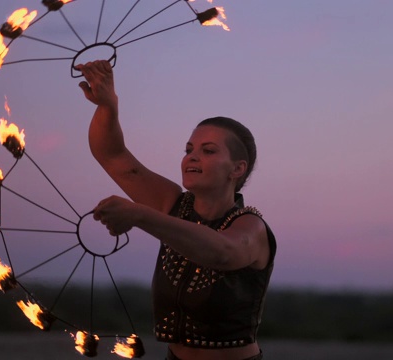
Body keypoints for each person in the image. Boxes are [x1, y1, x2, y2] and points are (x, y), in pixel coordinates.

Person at [76, 60, 276, 360]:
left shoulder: (251, 228)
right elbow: (111, 153)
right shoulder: (173, 204)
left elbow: (221, 252)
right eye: (189, 149)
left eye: (208, 151)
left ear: (237, 168)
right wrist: (108, 106)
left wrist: (139, 214)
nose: (192, 157)